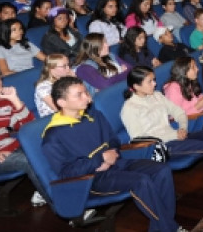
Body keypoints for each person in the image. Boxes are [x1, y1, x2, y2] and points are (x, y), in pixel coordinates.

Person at [42, 76, 185, 232]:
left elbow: (113, 140)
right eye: (79, 95)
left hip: (116, 163)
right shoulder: (53, 136)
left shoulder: (94, 115)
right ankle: (171, 228)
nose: (87, 97)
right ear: (62, 102)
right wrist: (99, 160)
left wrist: (112, 154)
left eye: (85, 92)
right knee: (141, 181)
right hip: (92, 178)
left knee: (161, 169)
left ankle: (163, 227)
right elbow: (66, 173)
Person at [120, 66, 203, 203]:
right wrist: (174, 136)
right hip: (162, 146)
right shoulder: (129, 108)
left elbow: (179, 112)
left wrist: (182, 128)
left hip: (176, 135)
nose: (155, 84)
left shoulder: (157, 96)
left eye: (154, 80)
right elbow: (139, 139)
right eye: (150, 81)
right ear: (136, 86)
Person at [0, 63, 46, 208]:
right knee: (28, 160)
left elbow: (29, 128)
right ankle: (62, 204)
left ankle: (66, 187)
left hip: (9, 148)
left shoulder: (3, 101)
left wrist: (14, 99)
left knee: (47, 147)